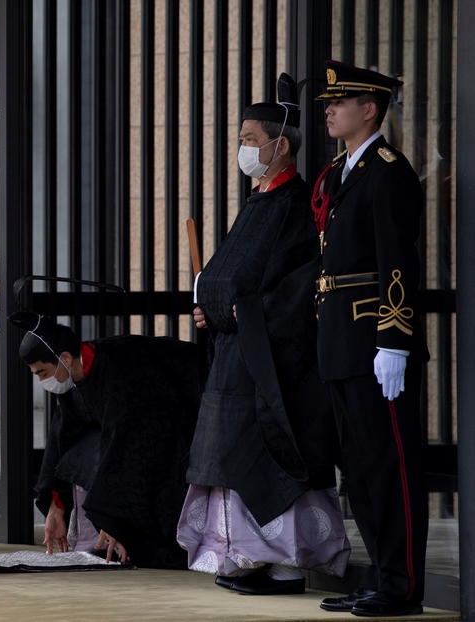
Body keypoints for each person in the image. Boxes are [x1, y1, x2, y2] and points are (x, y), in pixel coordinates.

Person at [177, 73, 350, 596]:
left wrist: (233, 310)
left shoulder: (294, 205)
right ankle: (243, 558)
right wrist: (209, 308)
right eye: (242, 139)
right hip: (235, 354)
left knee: (270, 453)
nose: (243, 148)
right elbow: (227, 273)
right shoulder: (257, 200)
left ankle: (285, 564)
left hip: (270, 360)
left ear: (281, 143)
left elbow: (293, 289)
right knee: (230, 455)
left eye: (250, 139)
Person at [312, 60, 429, 617]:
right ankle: (379, 578)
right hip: (339, 338)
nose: (329, 110)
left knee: (390, 467)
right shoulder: (340, 173)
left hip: (375, 341)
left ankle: (401, 586)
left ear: (370, 110)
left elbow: (396, 261)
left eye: (340, 102)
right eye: (329, 104)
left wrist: (396, 339)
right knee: (358, 471)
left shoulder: (388, 171)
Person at [9, 312, 199, 569]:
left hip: (181, 414)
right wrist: (56, 505)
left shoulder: (118, 369)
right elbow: (61, 438)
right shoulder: (70, 377)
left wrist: (114, 520)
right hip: (136, 430)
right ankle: (94, 540)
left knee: (117, 456)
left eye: (43, 372)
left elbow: (129, 442)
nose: (43, 381)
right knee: (79, 453)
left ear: (64, 358)